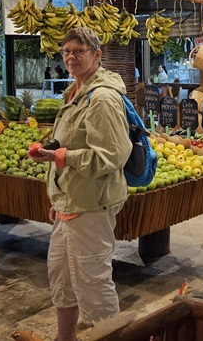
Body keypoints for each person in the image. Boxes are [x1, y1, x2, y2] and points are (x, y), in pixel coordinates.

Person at [27, 27, 135, 341]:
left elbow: (111, 156)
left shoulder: (101, 98)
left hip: (91, 205)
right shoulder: (74, 92)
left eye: (80, 51)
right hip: (70, 203)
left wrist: (60, 156)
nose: (71, 56)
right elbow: (68, 145)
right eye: (67, 51)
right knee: (61, 278)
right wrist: (58, 196)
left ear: (97, 55)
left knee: (94, 284)